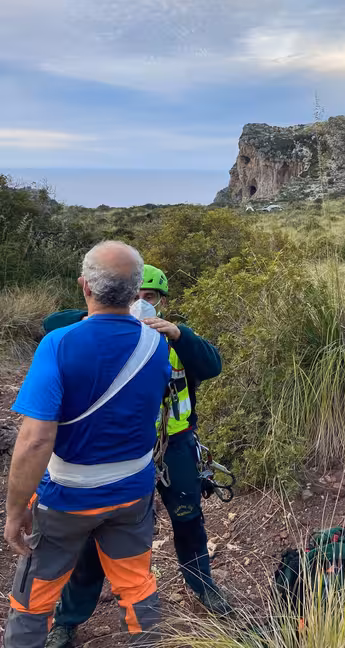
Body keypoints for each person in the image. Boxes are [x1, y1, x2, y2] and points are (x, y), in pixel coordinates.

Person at [44, 264, 229, 648]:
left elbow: (212, 364)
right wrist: (100, 316)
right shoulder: (99, 334)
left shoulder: (173, 338)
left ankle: (203, 587)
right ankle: (69, 618)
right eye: (133, 296)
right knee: (95, 535)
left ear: (161, 302)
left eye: (149, 297)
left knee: (189, 521)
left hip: (175, 447)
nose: (141, 303)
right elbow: (52, 323)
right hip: (122, 454)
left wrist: (178, 333)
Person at [4, 242, 172, 648]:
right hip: (133, 493)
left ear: (85, 286)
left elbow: (36, 439)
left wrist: (14, 511)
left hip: (66, 499)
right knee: (137, 586)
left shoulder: (58, 344)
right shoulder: (157, 345)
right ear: (136, 293)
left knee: (34, 597)